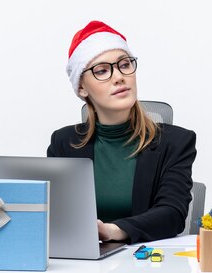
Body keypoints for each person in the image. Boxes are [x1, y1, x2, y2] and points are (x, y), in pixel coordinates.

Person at [47, 20, 197, 244]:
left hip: (144, 261)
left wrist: (112, 231)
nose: (119, 77)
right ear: (81, 87)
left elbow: (172, 214)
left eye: (125, 65)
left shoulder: (176, 142)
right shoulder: (63, 143)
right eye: (102, 71)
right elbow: (56, 216)